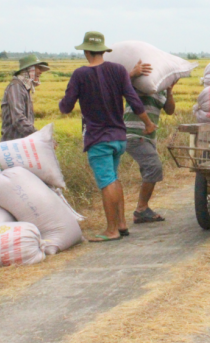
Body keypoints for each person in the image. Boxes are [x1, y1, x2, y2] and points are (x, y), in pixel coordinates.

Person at [59, 31, 157, 242]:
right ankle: (121, 224)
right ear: (103, 51)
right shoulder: (119, 70)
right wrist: (148, 123)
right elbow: (133, 99)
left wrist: (64, 100)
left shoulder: (80, 75)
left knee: (106, 182)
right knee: (113, 178)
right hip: (119, 137)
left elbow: (66, 107)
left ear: (86, 51)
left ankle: (111, 230)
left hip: (98, 139)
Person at [124, 61, 177, 224]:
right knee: (154, 167)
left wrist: (169, 91)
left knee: (149, 168)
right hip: (135, 133)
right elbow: (116, 85)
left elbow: (169, 110)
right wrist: (132, 74)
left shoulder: (157, 89)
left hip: (148, 136)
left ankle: (143, 209)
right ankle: (141, 209)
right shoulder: (138, 84)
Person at [1, 54, 50, 141]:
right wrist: (38, 136)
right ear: (28, 70)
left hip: (22, 142)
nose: (40, 72)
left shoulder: (24, 88)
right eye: (37, 68)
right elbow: (18, 118)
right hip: (13, 143)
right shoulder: (16, 87)